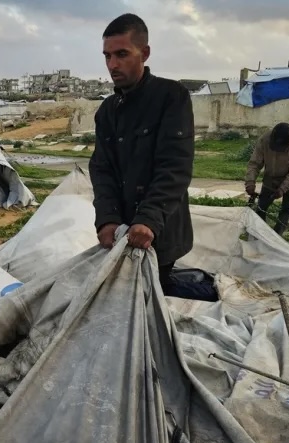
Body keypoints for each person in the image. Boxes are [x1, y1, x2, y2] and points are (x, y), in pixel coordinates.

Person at [89, 13, 195, 294]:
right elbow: (102, 169)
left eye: (122, 54)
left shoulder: (171, 97)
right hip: (122, 233)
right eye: (107, 56)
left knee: (151, 304)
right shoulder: (107, 111)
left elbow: (175, 166)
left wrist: (148, 219)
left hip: (159, 230)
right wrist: (107, 218)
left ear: (144, 53)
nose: (113, 64)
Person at [245, 122, 289, 235]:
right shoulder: (264, 139)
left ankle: (277, 236)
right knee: (261, 208)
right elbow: (254, 163)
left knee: (286, 209)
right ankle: (261, 234)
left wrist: (283, 188)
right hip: (271, 178)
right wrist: (250, 183)